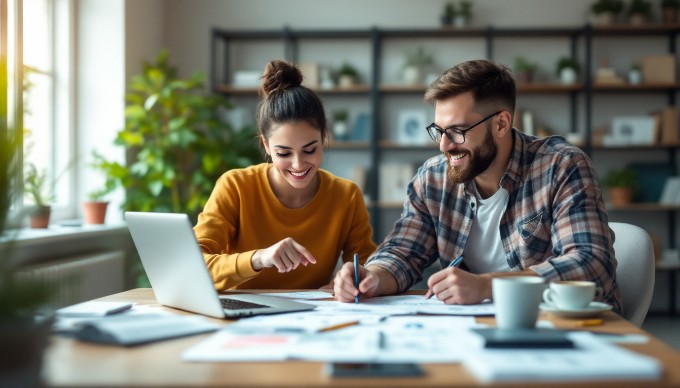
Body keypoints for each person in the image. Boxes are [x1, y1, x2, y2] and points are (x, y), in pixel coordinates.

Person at [333, 59, 622, 315]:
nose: (445, 145)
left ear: (500, 124)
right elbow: (402, 252)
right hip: (474, 328)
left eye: (457, 132)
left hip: (563, 328)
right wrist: (371, 277)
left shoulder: (561, 166)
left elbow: (591, 265)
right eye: (439, 131)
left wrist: (486, 286)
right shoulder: (433, 178)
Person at [194, 60, 376, 290]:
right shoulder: (236, 186)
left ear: (324, 136)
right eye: (283, 153)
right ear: (266, 145)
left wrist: (348, 282)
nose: (298, 164)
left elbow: (367, 266)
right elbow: (194, 264)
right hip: (241, 316)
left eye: (310, 150)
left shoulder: (346, 195)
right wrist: (258, 258)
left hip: (313, 318)